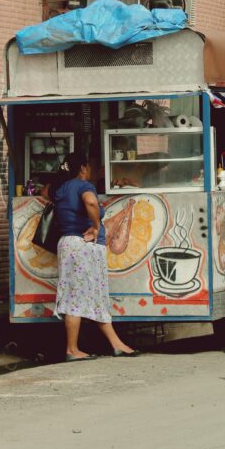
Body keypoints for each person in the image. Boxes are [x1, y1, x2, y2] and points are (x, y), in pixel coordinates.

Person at [53, 151, 139, 361]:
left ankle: (116, 343)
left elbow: (47, 191)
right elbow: (91, 202)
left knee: (92, 295)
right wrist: (95, 225)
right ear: (83, 168)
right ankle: (72, 349)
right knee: (76, 298)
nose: (90, 170)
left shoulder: (60, 188)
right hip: (83, 246)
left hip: (67, 244)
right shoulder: (84, 186)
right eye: (88, 166)